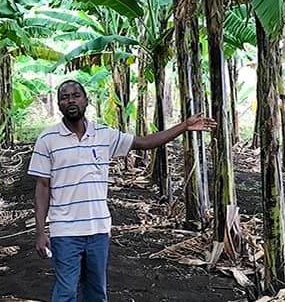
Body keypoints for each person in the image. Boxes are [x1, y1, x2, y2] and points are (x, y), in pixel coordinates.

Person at [28, 80, 216, 302]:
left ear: (86, 100)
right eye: (65, 97)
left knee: (96, 292)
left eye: (76, 95)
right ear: (59, 104)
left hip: (98, 228)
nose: (71, 100)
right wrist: (41, 232)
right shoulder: (48, 139)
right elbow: (42, 186)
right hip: (64, 230)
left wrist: (184, 126)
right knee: (66, 292)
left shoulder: (104, 135)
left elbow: (145, 142)